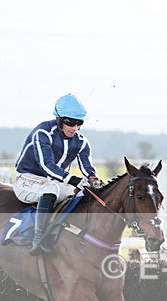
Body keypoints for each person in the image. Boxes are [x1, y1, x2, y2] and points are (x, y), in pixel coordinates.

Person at [13, 93, 101, 255]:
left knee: (82, 192)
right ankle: (38, 239)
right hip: (26, 179)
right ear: (59, 120)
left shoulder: (81, 142)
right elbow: (47, 166)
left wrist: (93, 179)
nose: (74, 128)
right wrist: (72, 179)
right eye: (70, 122)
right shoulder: (43, 132)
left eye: (79, 123)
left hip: (55, 181)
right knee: (51, 189)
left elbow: (87, 167)